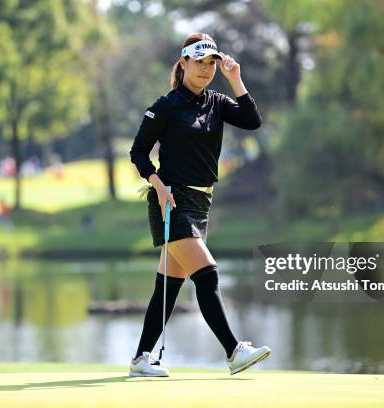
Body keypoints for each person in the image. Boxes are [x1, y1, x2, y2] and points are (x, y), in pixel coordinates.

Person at [129, 33, 272, 377]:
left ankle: (140, 359)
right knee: (207, 274)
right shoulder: (165, 106)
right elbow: (137, 152)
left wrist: (235, 79)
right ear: (183, 63)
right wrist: (158, 185)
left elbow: (253, 121)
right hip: (172, 200)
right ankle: (234, 351)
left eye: (212, 64)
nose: (206, 70)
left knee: (167, 287)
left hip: (202, 201)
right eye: (200, 63)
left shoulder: (218, 102)